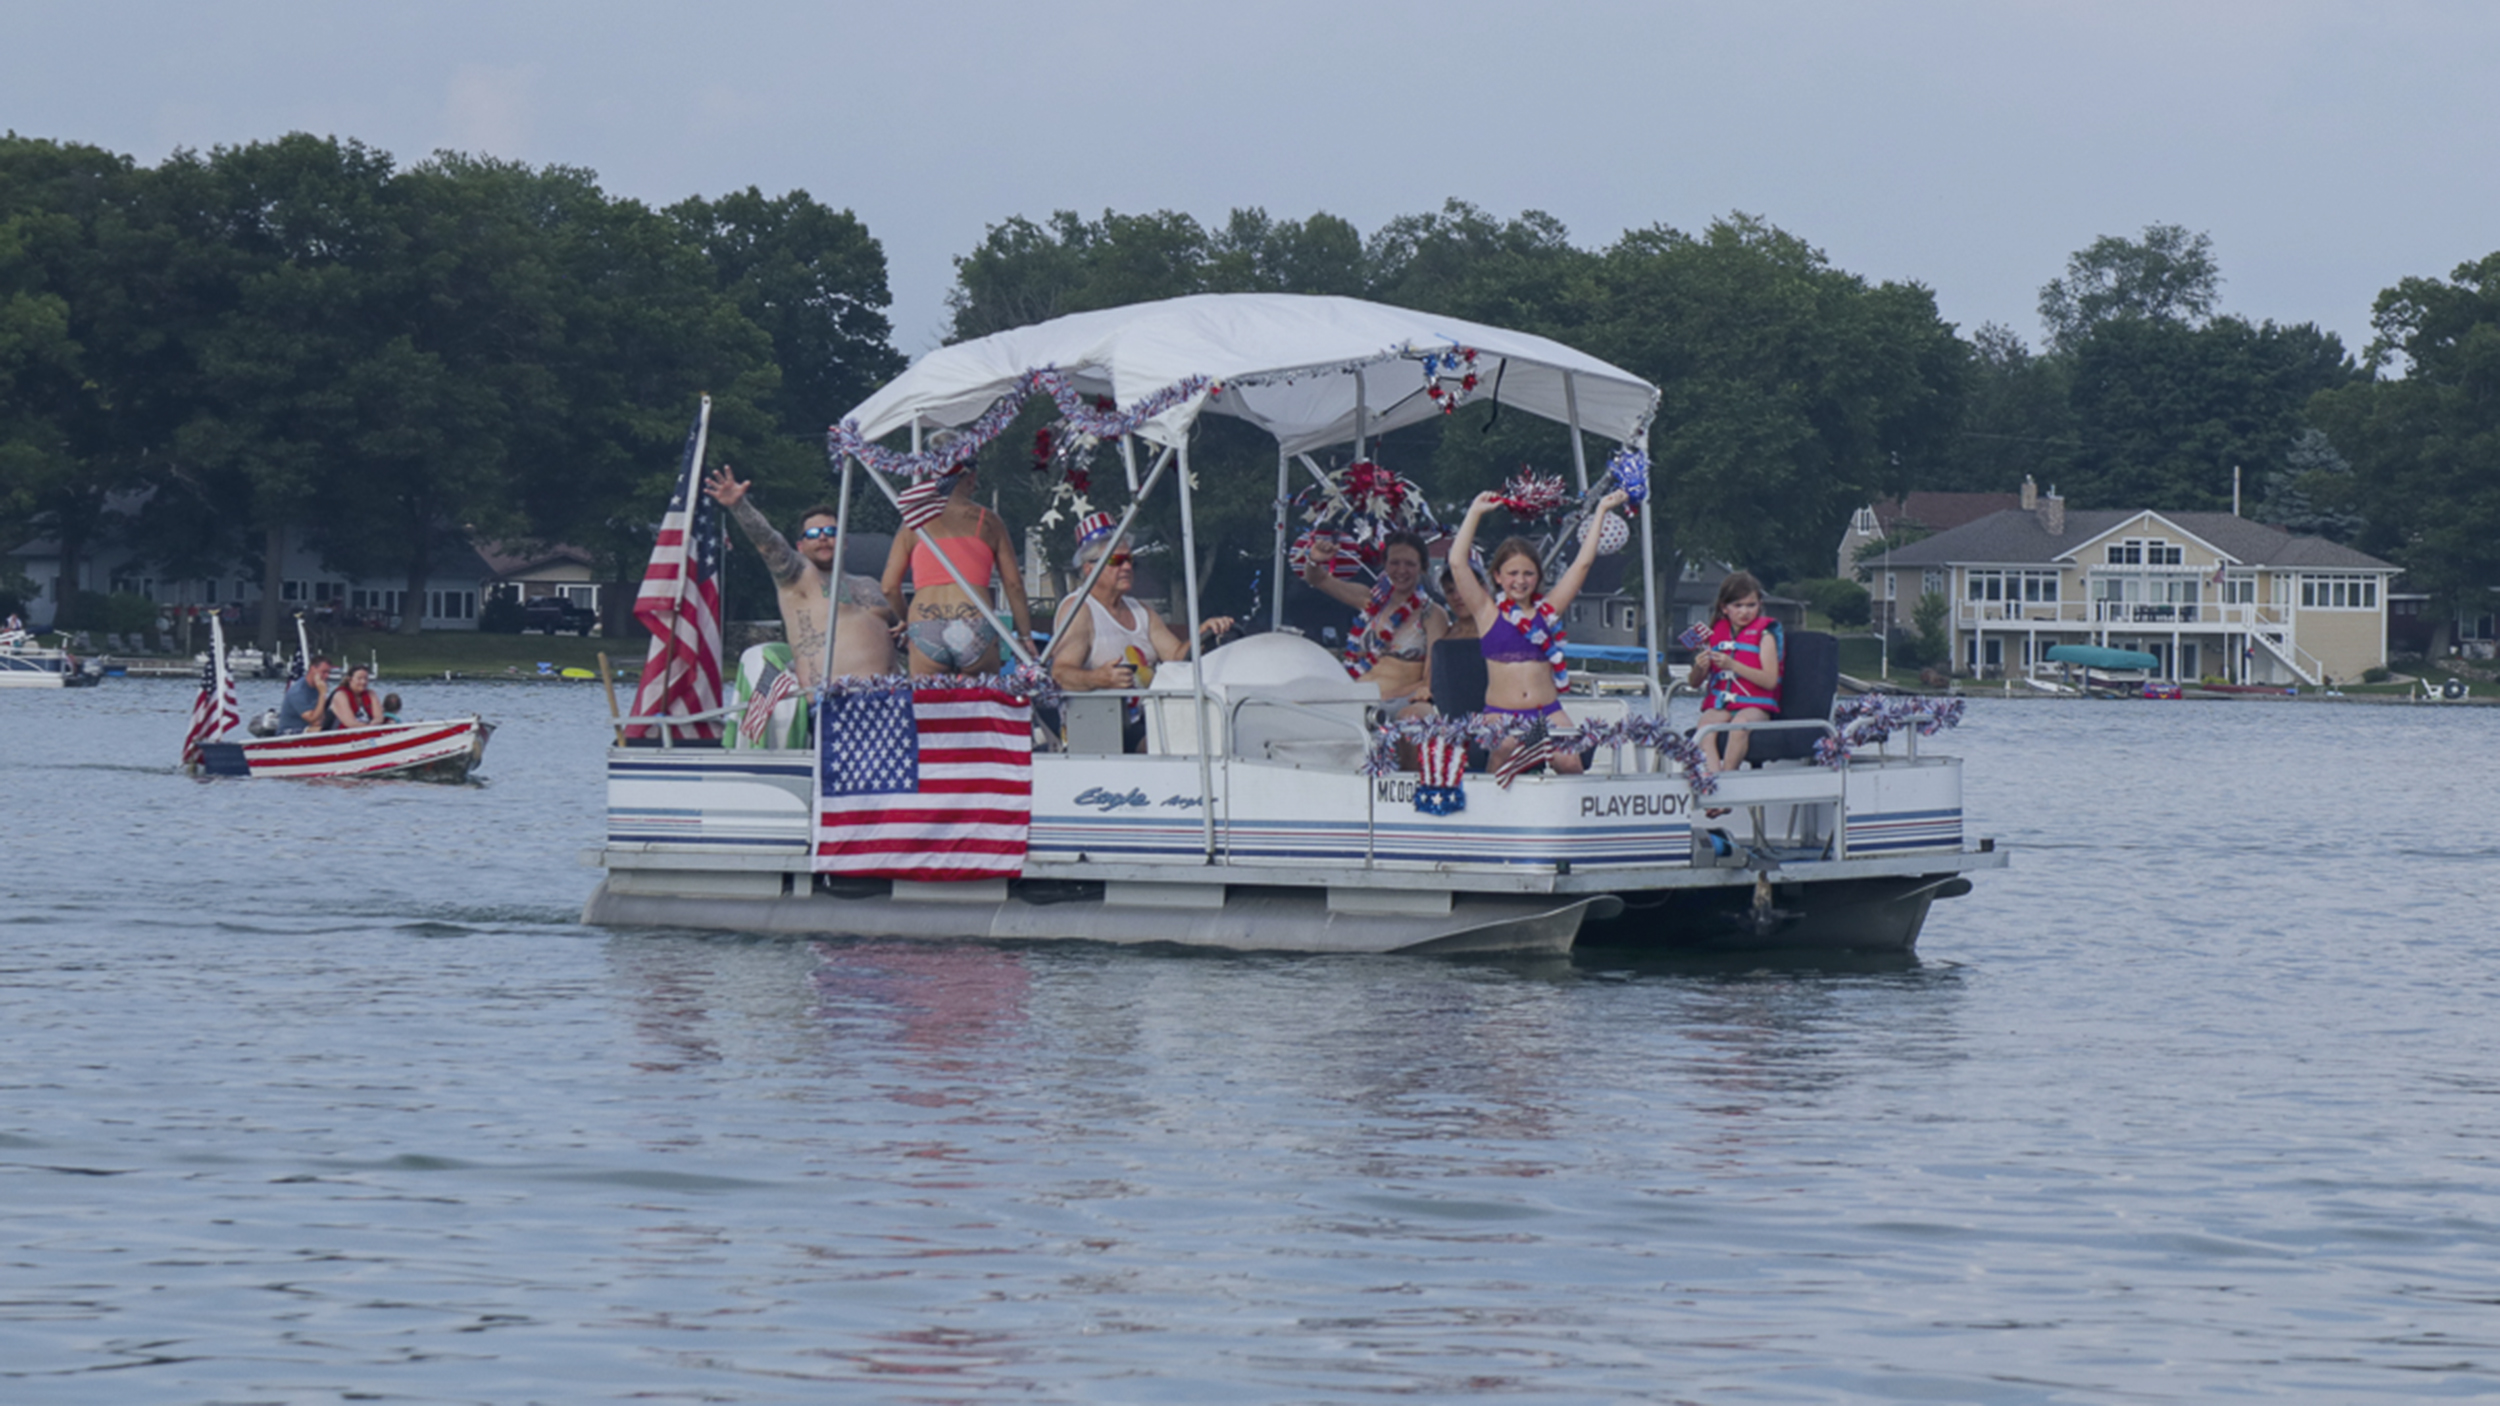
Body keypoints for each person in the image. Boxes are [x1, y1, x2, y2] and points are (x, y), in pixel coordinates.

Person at [1446, 488, 1630, 778]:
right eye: (1512, 573)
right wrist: (1474, 512)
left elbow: (1582, 564)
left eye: (1528, 574)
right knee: (1504, 748)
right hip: (1501, 715)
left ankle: (1568, 818)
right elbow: (1457, 563)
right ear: (1497, 576)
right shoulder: (1486, 611)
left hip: (1545, 716)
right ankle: (1498, 815)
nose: (1520, 581)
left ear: (1538, 578)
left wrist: (1601, 513)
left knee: (1570, 762)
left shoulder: (1549, 610)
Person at [1049, 518, 1235, 747]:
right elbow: (1060, 674)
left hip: (1147, 720)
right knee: (1176, 740)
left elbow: (1177, 657)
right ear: (1089, 568)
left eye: (1130, 560)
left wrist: (1203, 631)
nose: (1127, 567)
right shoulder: (1078, 609)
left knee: (1210, 731)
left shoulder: (1141, 611)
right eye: (1116, 560)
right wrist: (1099, 678)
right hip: (1100, 730)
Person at [704, 467, 898, 685]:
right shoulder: (799, 577)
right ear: (800, 546)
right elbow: (768, 543)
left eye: (832, 532)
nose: (823, 537)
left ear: (844, 542)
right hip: (837, 701)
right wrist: (739, 506)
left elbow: (901, 632)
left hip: (893, 698)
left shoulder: (870, 585)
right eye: (813, 534)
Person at [880, 463, 1035, 676]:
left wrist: (906, 620)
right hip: (975, 620)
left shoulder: (914, 523)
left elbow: (889, 587)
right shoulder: (988, 521)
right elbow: (1013, 584)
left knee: (929, 706)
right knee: (982, 704)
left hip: (926, 621)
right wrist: (1025, 637)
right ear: (971, 478)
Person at [1301, 530, 1448, 703]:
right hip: (1353, 695)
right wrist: (1313, 561)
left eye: (1409, 564)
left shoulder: (1432, 615)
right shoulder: (1369, 600)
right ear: (1385, 564)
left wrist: (1382, 698)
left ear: (1423, 567)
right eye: (1394, 562)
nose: (1401, 570)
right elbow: (1318, 580)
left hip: (1394, 704)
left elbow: (1430, 682)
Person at [1687, 570, 1783, 775]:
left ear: (1760, 605)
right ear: (1725, 608)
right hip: (1724, 704)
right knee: (1705, 726)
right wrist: (1700, 667)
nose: (1745, 612)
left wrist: (1734, 666)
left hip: (1754, 707)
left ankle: (1728, 779)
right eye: (1737, 606)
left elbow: (1770, 681)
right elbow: (1694, 683)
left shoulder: (1766, 637)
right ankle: (1713, 779)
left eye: (1751, 605)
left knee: (1739, 724)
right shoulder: (1714, 635)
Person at [278, 655, 334, 735]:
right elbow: (312, 718)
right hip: (289, 732)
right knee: (324, 730)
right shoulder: (298, 691)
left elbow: (320, 717)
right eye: (324, 672)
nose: (327, 676)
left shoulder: (318, 687)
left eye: (328, 673)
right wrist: (322, 694)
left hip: (310, 728)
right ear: (313, 669)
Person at [326, 663, 381, 729]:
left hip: (366, 731)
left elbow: (379, 717)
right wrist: (369, 727)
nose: (363, 682)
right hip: (337, 734)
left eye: (366, 678)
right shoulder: (340, 695)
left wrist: (374, 723)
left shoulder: (371, 694)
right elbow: (350, 723)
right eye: (359, 678)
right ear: (350, 679)